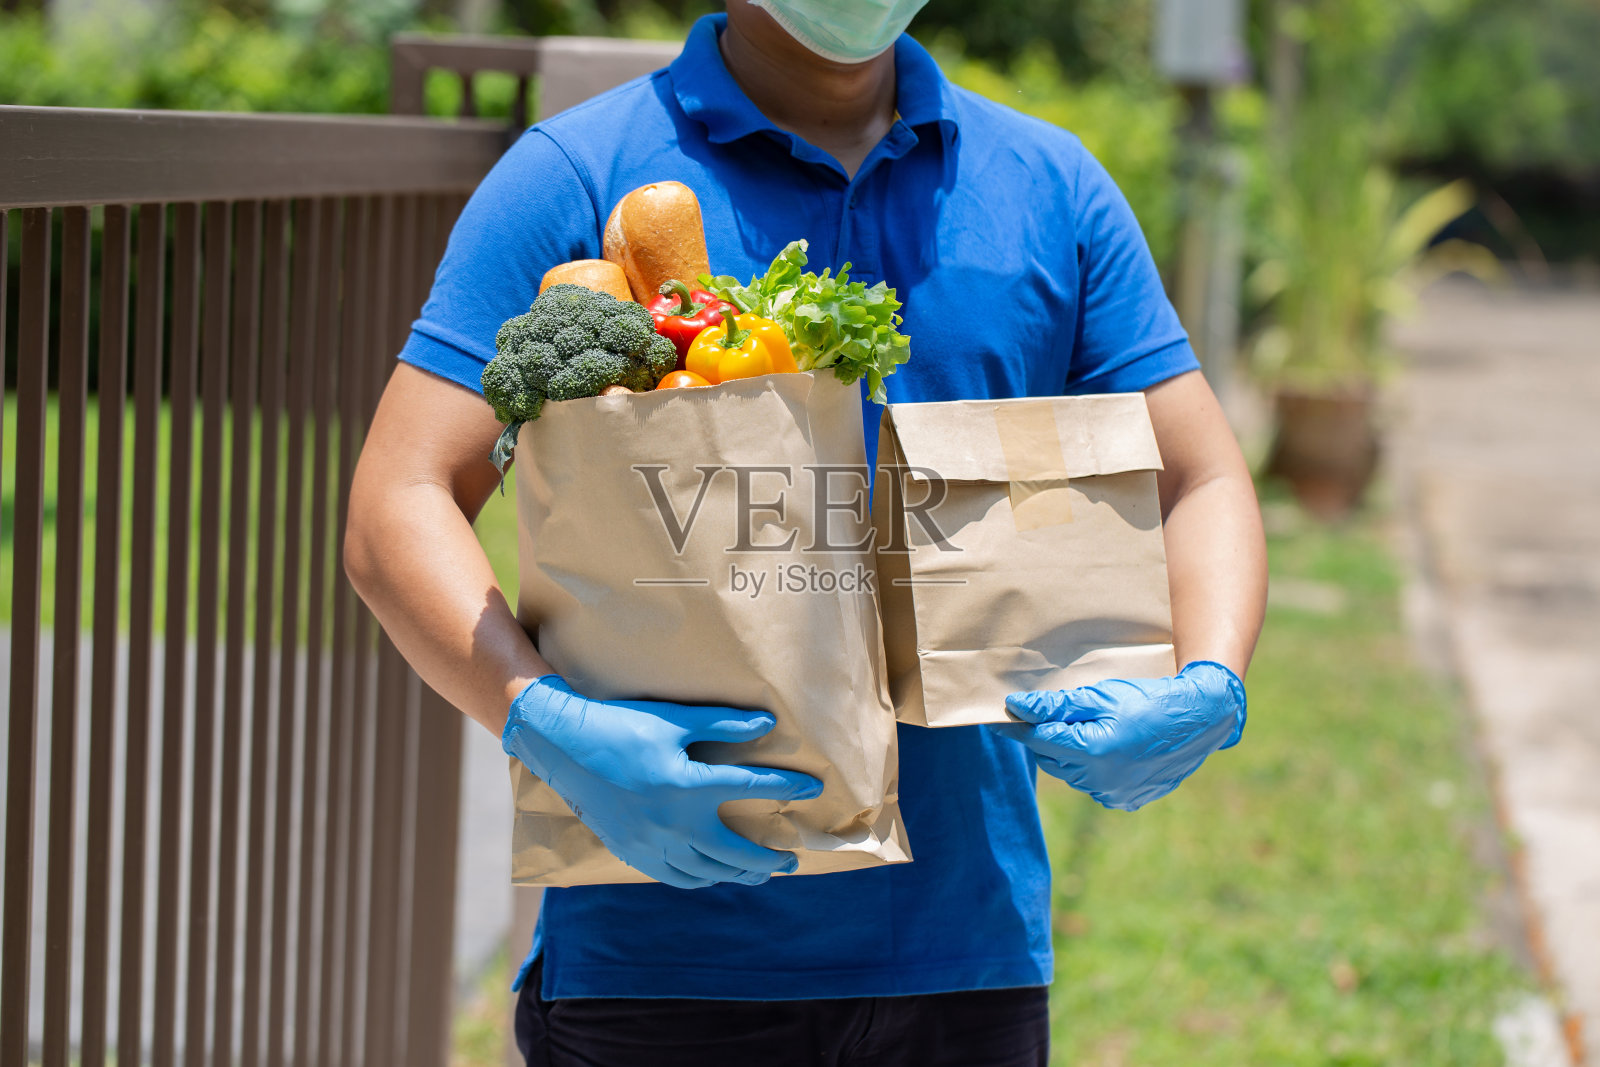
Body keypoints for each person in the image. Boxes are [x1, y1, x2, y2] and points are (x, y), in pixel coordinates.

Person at [344, 1, 1268, 1063]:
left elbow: (1197, 475)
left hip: (966, 957)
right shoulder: (578, 172)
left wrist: (1209, 682)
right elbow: (399, 500)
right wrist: (542, 720)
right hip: (657, 960)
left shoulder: (1048, 188)